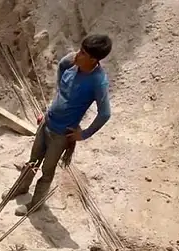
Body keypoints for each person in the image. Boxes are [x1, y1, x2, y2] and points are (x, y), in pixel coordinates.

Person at [12, 34, 113, 216]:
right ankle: (20, 188)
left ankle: (35, 204)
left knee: (47, 170)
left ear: (93, 59)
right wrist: (58, 97)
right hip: (47, 122)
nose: (77, 54)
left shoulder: (98, 82)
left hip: (61, 135)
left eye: (82, 52)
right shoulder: (72, 61)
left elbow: (105, 113)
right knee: (33, 159)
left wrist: (83, 135)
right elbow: (61, 67)